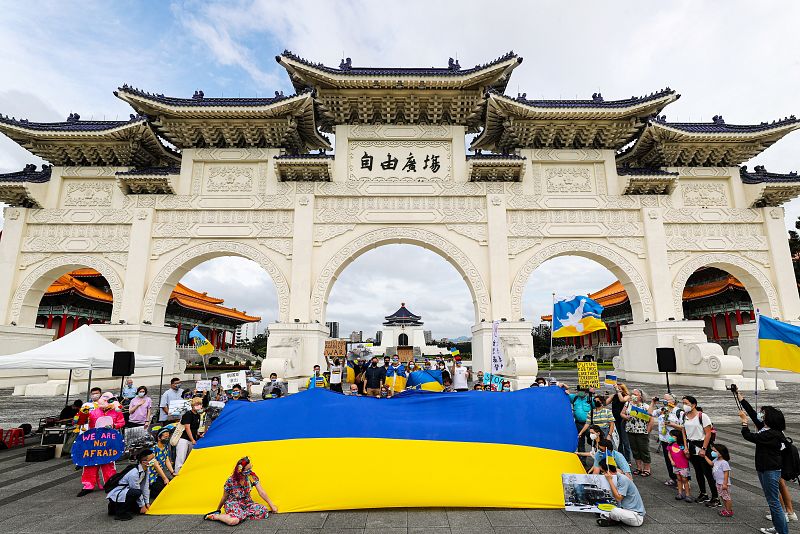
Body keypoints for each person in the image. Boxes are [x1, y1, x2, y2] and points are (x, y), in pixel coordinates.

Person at [737, 392, 797, 525]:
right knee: (778, 488)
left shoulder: (770, 432)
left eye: (762, 413)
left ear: (769, 418)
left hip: (772, 464)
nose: (760, 414)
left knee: (774, 495)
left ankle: (783, 515)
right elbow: (752, 412)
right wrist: (739, 396)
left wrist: (744, 422)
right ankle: (787, 513)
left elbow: (749, 436)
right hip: (774, 462)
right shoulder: (768, 427)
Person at [204, 456, 278, 525]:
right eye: (247, 470)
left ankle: (241, 515)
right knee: (234, 521)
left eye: (251, 468)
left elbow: (261, 492)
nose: (250, 471)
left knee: (264, 511)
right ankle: (216, 516)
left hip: (247, 503)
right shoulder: (231, 481)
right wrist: (218, 509)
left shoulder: (251, 477)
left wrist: (272, 505)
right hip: (233, 503)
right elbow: (224, 497)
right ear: (240, 470)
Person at [77, 392, 125, 496]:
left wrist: (114, 425)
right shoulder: (93, 412)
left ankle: (110, 483)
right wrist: (83, 413)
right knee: (90, 463)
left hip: (108, 442)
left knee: (108, 464)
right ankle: (88, 485)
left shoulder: (116, 412)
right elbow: (80, 421)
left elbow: (122, 422)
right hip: (93, 442)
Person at [681, 395, 718, 505]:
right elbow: (684, 432)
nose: (684, 405)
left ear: (693, 405)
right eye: (683, 403)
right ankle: (703, 493)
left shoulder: (702, 416)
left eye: (686, 403)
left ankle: (715, 497)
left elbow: (708, 433)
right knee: (698, 471)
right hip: (691, 446)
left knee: (707, 472)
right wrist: (686, 447)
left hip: (702, 445)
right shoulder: (684, 416)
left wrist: (704, 449)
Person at [596, 459, 646, 527]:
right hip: (624, 509)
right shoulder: (615, 477)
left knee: (615, 512)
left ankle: (612, 520)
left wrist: (610, 481)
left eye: (602, 472)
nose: (602, 474)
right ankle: (613, 519)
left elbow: (618, 498)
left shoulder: (622, 479)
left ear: (608, 471)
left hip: (636, 516)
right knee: (600, 510)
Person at [107, 448, 154, 521]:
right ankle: (120, 513)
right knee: (136, 493)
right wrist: (142, 505)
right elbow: (136, 489)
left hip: (128, 491)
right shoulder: (134, 473)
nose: (154, 461)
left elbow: (145, 487)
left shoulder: (146, 470)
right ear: (144, 462)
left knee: (138, 508)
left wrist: (147, 503)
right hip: (120, 492)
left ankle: (115, 507)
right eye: (151, 459)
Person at [652, 394, 683, 487]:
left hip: (675, 440)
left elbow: (683, 427)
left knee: (678, 461)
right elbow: (650, 413)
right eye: (663, 399)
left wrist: (671, 424)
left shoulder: (679, 412)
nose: (664, 401)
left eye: (666, 400)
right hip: (665, 439)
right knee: (669, 460)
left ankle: (683, 480)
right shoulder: (663, 410)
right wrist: (653, 402)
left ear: (673, 401)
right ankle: (673, 478)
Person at [622, 389, 652, 477]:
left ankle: (647, 468)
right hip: (630, 430)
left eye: (635, 394)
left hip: (642, 431)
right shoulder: (628, 404)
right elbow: (622, 413)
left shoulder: (645, 406)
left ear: (641, 396)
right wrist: (626, 417)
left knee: (644, 450)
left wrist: (648, 431)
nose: (633, 396)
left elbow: (651, 419)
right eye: (632, 394)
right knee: (634, 449)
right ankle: (639, 467)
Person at [174, 397, 203, 474]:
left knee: (188, 458)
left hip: (192, 439)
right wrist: (192, 439)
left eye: (200, 404)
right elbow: (187, 428)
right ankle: (177, 473)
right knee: (181, 458)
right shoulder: (188, 414)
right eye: (197, 404)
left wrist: (198, 435)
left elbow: (195, 428)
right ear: (192, 405)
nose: (198, 406)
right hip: (184, 439)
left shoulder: (198, 415)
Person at [605, 381, 633, 462]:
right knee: (619, 440)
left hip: (623, 420)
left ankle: (628, 459)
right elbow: (605, 403)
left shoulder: (627, 396)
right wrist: (609, 397)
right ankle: (621, 457)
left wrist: (618, 391)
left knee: (625, 440)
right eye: (617, 389)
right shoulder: (614, 396)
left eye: (620, 389)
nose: (618, 391)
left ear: (624, 390)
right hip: (615, 419)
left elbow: (622, 400)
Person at [705, 443, 733, 517]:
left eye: (715, 451)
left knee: (727, 497)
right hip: (718, 482)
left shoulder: (724, 462)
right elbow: (711, 464)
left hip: (723, 483)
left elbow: (726, 473)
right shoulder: (716, 460)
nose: (713, 452)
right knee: (723, 496)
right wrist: (704, 456)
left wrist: (725, 483)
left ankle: (729, 511)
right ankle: (726, 509)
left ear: (721, 453)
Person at [149, 426, 174, 500]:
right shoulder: (153, 449)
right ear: (159, 438)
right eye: (165, 437)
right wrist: (165, 478)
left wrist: (172, 472)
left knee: (171, 486)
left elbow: (167, 460)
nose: (167, 439)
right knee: (163, 491)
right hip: (152, 476)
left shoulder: (165, 446)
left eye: (168, 437)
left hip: (159, 475)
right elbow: (156, 466)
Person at [667, 429, 692, 502]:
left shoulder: (682, 446)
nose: (670, 437)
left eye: (672, 436)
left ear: (677, 437)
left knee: (685, 480)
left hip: (683, 466)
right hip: (676, 466)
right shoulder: (670, 445)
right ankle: (680, 493)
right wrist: (671, 461)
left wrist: (687, 453)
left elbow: (687, 456)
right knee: (679, 479)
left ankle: (687, 494)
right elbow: (669, 453)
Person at [569, 387, 593, 453]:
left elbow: (600, 404)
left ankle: (597, 455)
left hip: (589, 424)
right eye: (579, 390)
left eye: (582, 391)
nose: (580, 392)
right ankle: (582, 460)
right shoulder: (574, 398)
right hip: (578, 424)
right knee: (580, 441)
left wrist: (592, 393)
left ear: (586, 392)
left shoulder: (590, 399)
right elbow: (564, 394)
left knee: (592, 440)